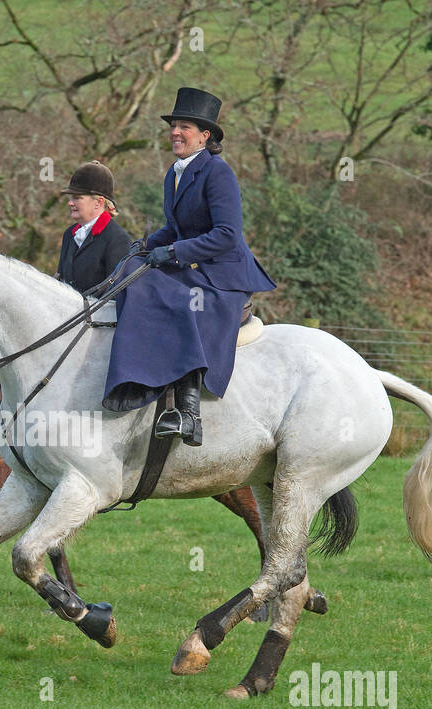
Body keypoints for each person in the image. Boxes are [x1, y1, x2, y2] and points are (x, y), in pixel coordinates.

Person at [102, 87, 276, 447]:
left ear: (204, 135)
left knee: (174, 299)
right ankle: (138, 380)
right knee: (132, 275)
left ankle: (188, 413)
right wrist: (148, 244)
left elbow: (227, 235)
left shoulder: (218, 173)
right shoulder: (175, 172)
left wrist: (174, 252)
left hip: (222, 274)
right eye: (173, 126)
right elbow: (177, 227)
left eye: (184, 126)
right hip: (194, 263)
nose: (175, 132)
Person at [54, 161, 132, 294]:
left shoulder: (118, 239)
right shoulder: (69, 235)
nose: (70, 203)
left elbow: (115, 295)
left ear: (98, 202)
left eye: (77, 198)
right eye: (71, 198)